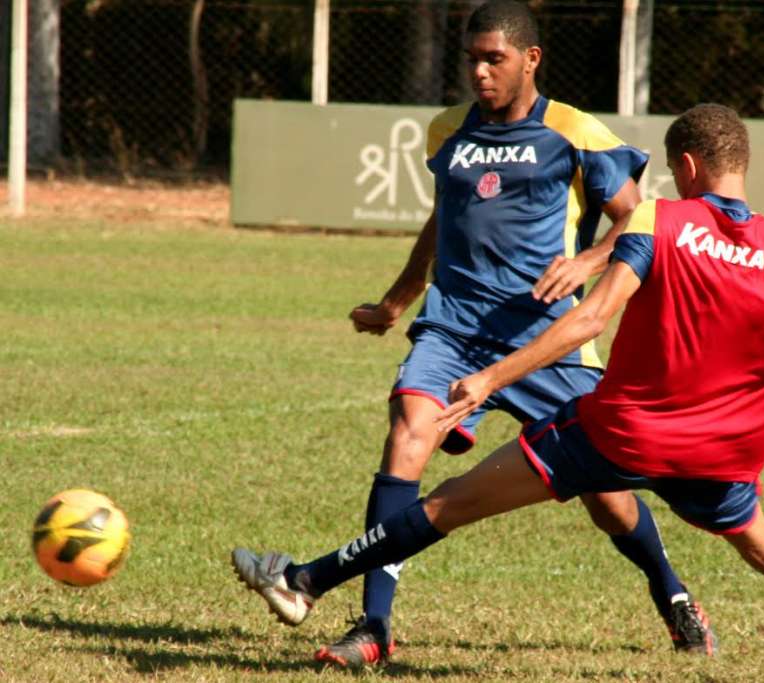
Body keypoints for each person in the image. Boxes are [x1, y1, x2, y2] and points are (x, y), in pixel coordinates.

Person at [232, 105, 764, 681]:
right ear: (741, 164)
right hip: (721, 453)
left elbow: (589, 322)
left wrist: (491, 378)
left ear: (683, 167)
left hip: (618, 432)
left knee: (450, 503)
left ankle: (303, 580)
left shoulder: (661, 219)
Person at [236, 0, 711, 668]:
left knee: (607, 496)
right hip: (453, 326)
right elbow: (444, 220)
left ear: (530, 59)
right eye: (473, 59)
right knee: (408, 433)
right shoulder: (446, 132)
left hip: (546, 339)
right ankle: (373, 624)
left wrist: (586, 259)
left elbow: (642, 219)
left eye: (496, 59)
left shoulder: (574, 132)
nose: (481, 72)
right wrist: (398, 300)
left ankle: (671, 590)